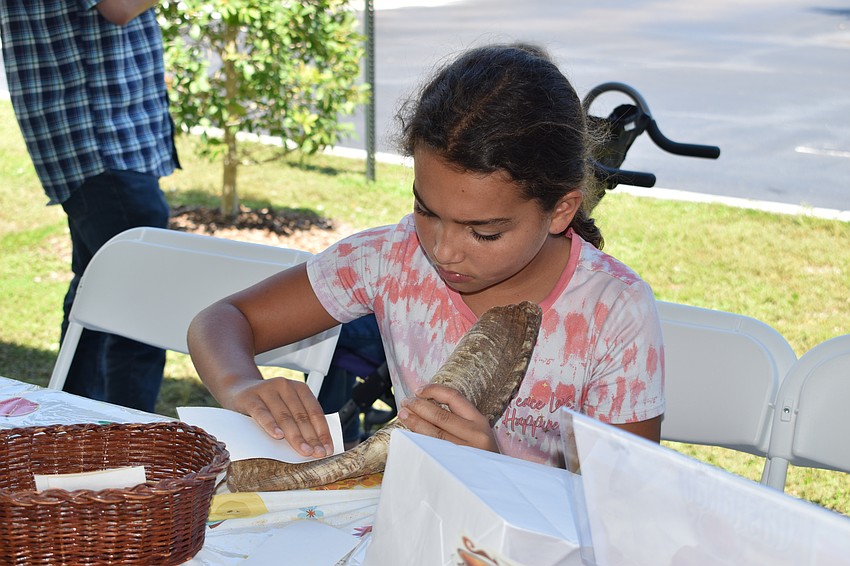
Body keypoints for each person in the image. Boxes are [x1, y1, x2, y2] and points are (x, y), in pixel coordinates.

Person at [188, 43, 665, 468]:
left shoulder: (613, 313)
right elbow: (222, 320)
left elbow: (620, 509)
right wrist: (241, 387)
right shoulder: (393, 258)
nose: (442, 250)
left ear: (561, 209)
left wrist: (497, 472)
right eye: (426, 209)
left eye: (484, 233)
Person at [0, 0, 179, 412]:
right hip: (100, 139)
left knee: (95, 294)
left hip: (99, 141)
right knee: (139, 314)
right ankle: (125, 444)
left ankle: (72, 427)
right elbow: (118, 7)